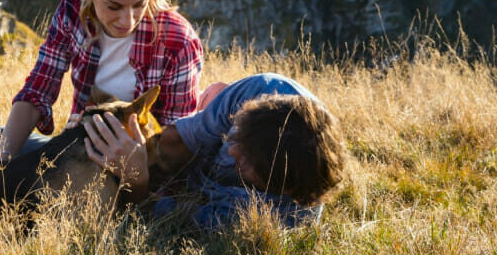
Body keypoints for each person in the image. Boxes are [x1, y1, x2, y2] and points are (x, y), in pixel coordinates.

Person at [0, 0, 204, 163]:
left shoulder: (179, 41)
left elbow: (175, 142)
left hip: (142, 167)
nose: (128, 20)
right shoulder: (73, 9)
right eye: (113, 7)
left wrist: (117, 147)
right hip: (79, 151)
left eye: (140, 4)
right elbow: (39, 88)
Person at [82, 72, 348, 230]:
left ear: (278, 188)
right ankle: (207, 98)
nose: (232, 153)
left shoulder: (276, 217)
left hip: (208, 192)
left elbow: (162, 215)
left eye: (245, 162)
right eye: (235, 139)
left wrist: (136, 179)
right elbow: (177, 141)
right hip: (202, 143)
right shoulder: (259, 91)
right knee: (214, 97)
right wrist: (139, 146)